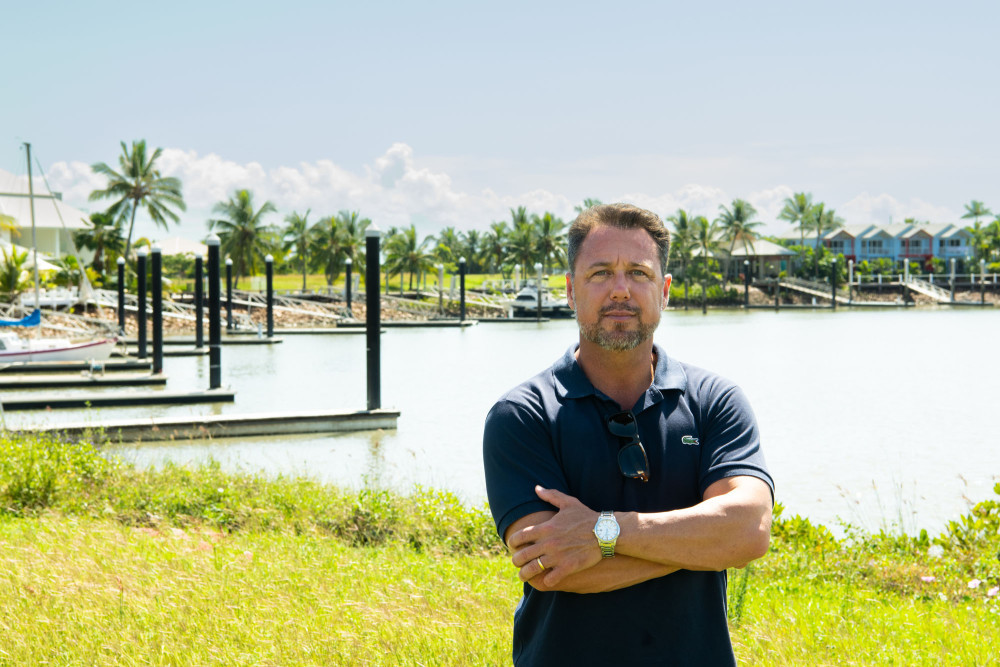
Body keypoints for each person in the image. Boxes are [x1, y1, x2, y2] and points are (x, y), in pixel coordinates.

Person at [482, 203, 774, 666]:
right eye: (600, 273)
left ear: (664, 290)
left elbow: (749, 530)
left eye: (638, 272)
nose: (620, 289)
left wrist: (602, 532)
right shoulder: (522, 414)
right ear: (571, 290)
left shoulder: (715, 400)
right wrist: (703, 543)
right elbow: (547, 565)